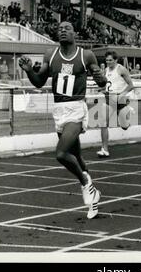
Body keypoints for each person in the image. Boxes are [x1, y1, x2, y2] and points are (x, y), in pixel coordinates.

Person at [19, 21, 107, 219]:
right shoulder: (51, 55)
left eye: (67, 28)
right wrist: (29, 71)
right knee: (77, 157)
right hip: (59, 110)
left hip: (76, 109)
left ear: (74, 33)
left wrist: (102, 79)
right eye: (59, 28)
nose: (62, 30)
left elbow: (101, 81)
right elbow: (39, 82)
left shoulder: (86, 55)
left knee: (61, 153)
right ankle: (93, 199)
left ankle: (86, 185)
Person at [97, 51, 134, 158]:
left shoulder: (121, 69)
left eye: (110, 60)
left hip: (121, 100)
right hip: (109, 100)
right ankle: (104, 149)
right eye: (107, 60)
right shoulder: (105, 70)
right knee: (103, 123)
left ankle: (127, 113)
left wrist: (122, 94)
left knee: (124, 127)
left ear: (116, 60)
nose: (108, 62)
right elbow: (107, 85)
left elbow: (131, 85)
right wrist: (102, 89)